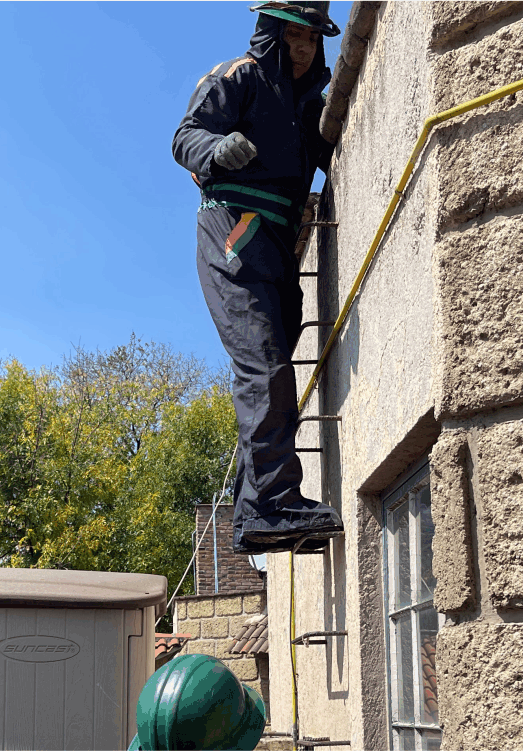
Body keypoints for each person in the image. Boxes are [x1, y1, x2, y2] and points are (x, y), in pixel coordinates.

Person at [173, 2, 344, 554]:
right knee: (265, 365)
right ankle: (273, 503)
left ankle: (256, 515)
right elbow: (186, 137)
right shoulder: (237, 77)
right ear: (270, 33)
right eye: (293, 35)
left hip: (276, 241)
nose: (302, 47)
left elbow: (330, 148)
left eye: (311, 39)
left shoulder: (307, 105)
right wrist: (217, 150)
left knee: (273, 371)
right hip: (235, 228)